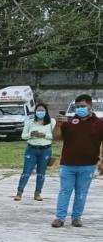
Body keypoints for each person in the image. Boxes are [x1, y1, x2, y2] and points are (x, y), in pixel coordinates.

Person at [51, 94, 103, 228]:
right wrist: (58, 124)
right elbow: (56, 137)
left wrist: (101, 159)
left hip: (88, 165)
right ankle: (60, 218)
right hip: (67, 164)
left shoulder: (99, 123)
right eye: (77, 107)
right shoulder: (69, 122)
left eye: (83, 106)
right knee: (65, 191)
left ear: (91, 106)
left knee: (81, 193)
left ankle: (76, 217)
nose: (80, 109)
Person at [15, 103, 55, 201]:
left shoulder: (51, 122)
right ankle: (19, 192)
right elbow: (23, 136)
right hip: (32, 150)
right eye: (38, 110)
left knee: (41, 173)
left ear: (46, 112)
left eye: (42, 110)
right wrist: (31, 134)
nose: (40, 112)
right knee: (26, 171)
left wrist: (44, 135)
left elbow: (54, 136)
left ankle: (37, 193)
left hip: (45, 150)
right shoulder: (29, 122)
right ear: (35, 111)